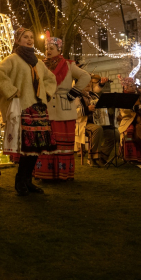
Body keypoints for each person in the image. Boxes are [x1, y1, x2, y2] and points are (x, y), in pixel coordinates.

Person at [0, 27, 57, 195]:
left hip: (39, 108)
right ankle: (20, 180)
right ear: (18, 40)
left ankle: (28, 180)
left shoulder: (38, 62)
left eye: (31, 37)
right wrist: (11, 90)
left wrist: (47, 93)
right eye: (25, 37)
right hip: (25, 107)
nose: (29, 40)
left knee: (37, 147)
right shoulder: (12, 59)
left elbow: (51, 78)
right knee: (27, 148)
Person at [41, 32, 90, 181]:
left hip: (64, 108)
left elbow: (85, 76)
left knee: (63, 145)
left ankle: (63, 174)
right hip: (47, 108)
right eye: (47, 48)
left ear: (59, 50)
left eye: (52, 47)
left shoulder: (69, 65)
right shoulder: (40, 65)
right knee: (47, 142)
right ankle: (46, 174)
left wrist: (74, 92)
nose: (48, 50)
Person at [76, 75, 119, 167]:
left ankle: (102, 157)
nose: (88, 84)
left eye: (89, 82)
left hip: (99, 122)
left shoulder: (93, 95)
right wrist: (87, 109)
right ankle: (91, 158)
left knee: (115, 134)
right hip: (83, 123)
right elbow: (72, 112)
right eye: (85, 82)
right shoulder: (76, 96)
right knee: (97, 129)